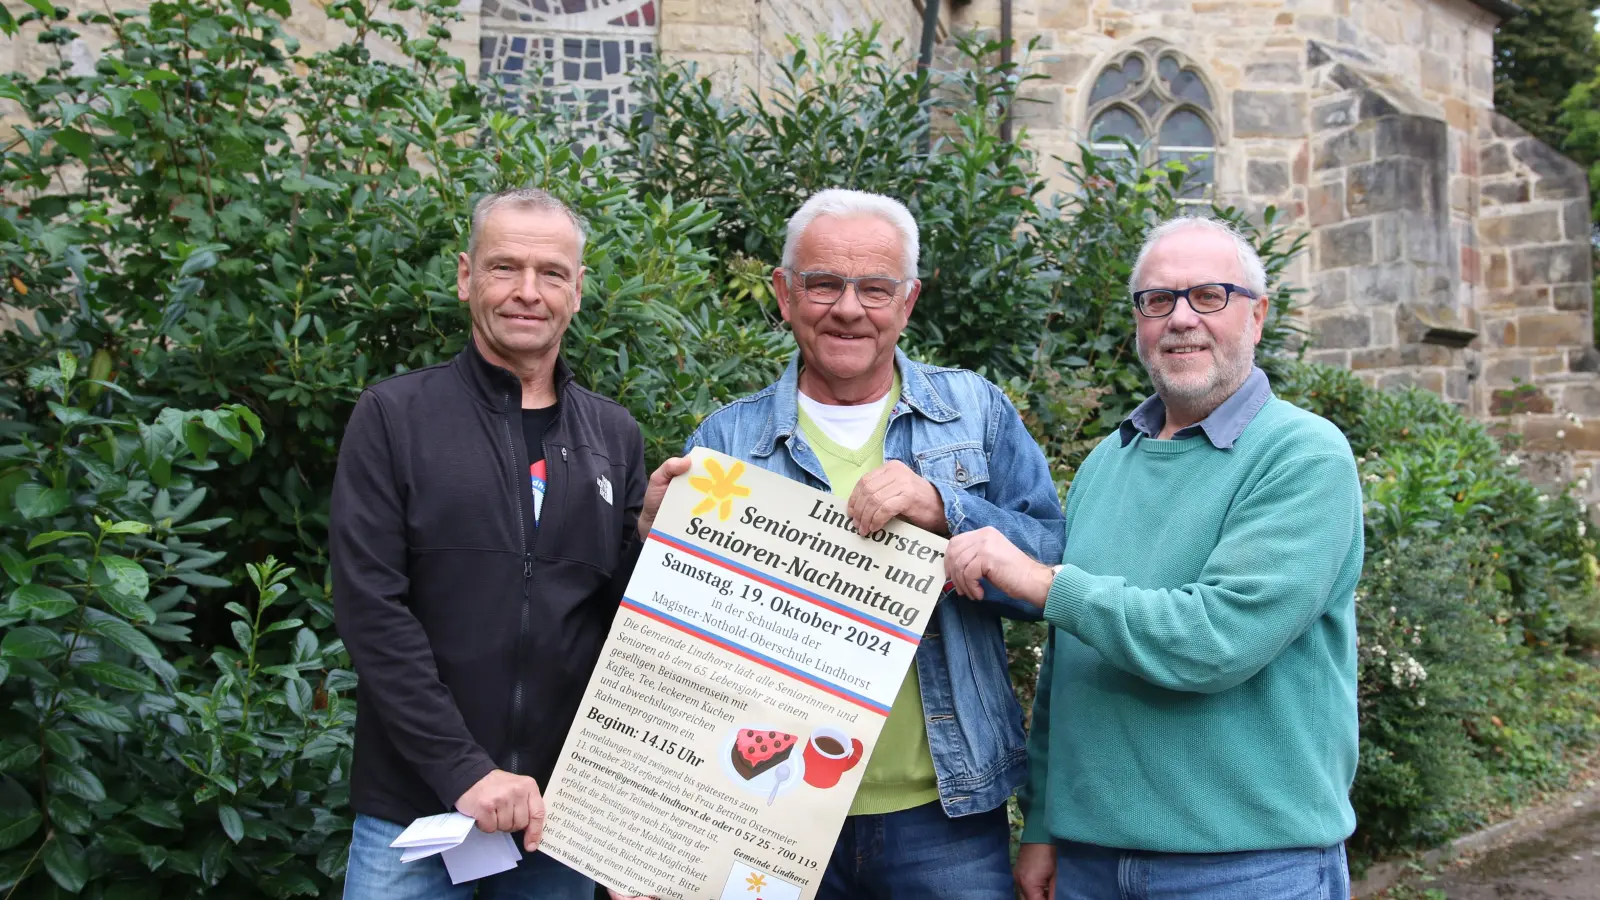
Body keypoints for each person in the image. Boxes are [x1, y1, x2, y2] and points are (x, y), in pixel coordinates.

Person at [638, 189, 1066, 899]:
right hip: (765, 812)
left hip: (945, 814)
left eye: (874, 287)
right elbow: (676, 650)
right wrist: (656, 537)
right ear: (783, 294)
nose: (847, 308)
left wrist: (946, 509)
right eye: (823, 283)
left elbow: (1052, 571)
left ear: (909, 300)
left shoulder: (977, 414)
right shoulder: (727, 443)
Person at [944, 216, 1363, 900]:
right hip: (1088, 866)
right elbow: (1068, 666)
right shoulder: (1108, 464)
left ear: (1257, 315)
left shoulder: (1303, 456)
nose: (1180, 320)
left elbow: (1217, 639)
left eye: (1208, 296)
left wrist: (1044, 580)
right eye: (1157, 301)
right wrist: (1045, 824)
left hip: (1249, 871)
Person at [332, 188, 651, 900]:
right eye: (505, 267)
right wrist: (465, 772)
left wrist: (653, 542)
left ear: (578, 290)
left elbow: (630, 631)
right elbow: (371, 610)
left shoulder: (614, 435)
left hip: (560, 820)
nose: (527, 292)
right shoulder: (394, 416)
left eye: (552, 273)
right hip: (413, 810)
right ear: (465, 277)